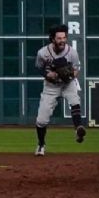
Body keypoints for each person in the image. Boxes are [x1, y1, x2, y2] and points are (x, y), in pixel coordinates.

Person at [34, 24, 86, 156]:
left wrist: (69, 75)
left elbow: (76, 70)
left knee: (74, 100)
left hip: (67, 84)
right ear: (52, 39)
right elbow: (39, 67)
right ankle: (41, 145)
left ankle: (78, 128)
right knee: (41, 120)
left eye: (64, 37)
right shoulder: (42, 53)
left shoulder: (72, 52)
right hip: (51, 86)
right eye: (59, 38)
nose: (62, 40)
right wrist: (47, 75)